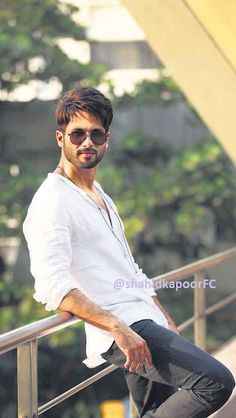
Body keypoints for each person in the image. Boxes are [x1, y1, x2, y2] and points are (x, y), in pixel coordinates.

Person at [23, 86, 235, 417]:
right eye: (77, 134)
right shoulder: (52, 201)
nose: (87, 142)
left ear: (107, 139)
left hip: (143, 318)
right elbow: (54, 287)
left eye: (96, 134)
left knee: (157, 409)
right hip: (123, 327)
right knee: (216, 382)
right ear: (60, 138)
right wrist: (118, 327)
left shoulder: (99, 195)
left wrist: (160, 312)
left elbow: (126, 266)